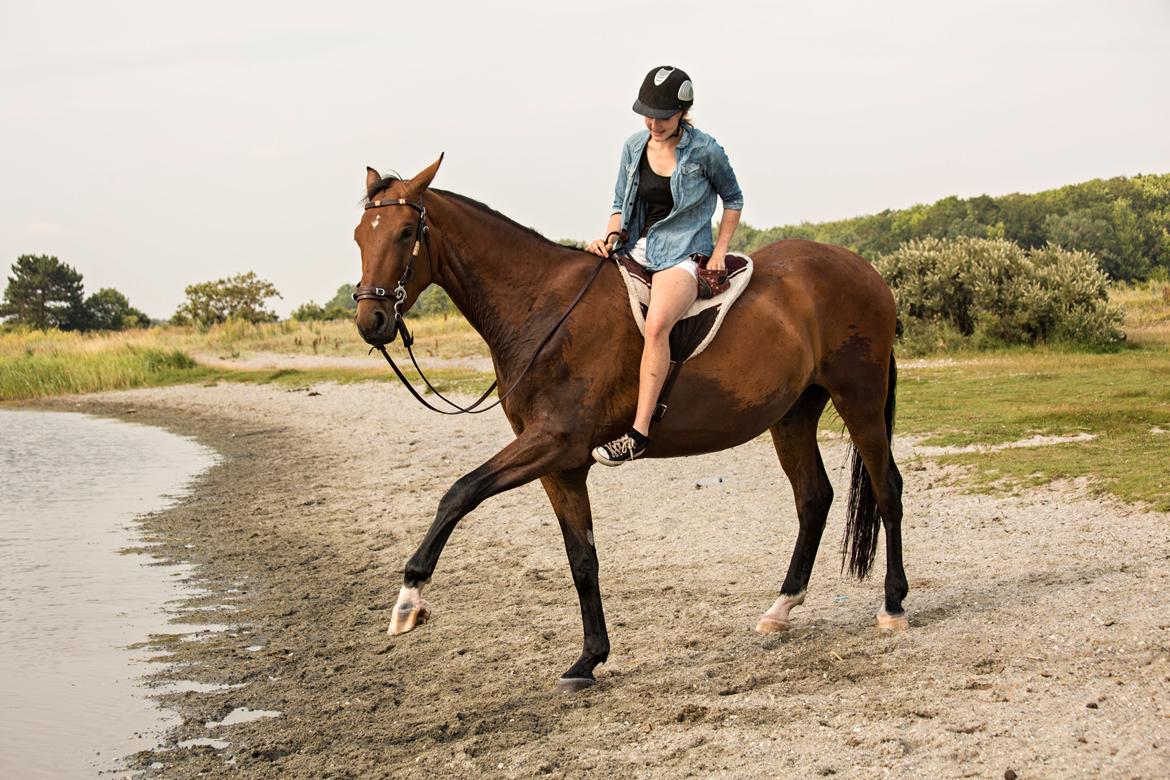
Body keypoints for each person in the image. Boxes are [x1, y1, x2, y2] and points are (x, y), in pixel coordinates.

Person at [589, 65, 744, 466]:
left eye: (663, 117)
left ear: (682, 113)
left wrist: (717, 253)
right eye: (648, 115)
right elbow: (620, 204)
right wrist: (608, 239)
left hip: (683, 256)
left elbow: (734, 198)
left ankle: (638, 433)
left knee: (657, 324)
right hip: (635, 248)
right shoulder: (633, 146)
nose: (653, 123)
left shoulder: (705, 150)